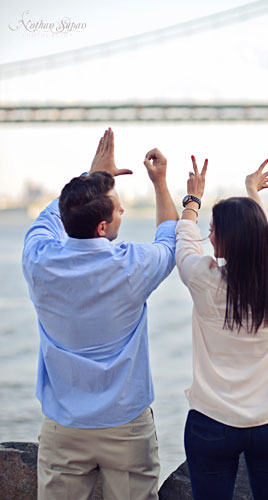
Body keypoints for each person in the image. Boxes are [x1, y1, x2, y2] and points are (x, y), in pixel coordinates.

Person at [22, 127, 178, 500]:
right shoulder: (132, 266)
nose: (123, 210)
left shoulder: (37, 259)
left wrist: (91, 178)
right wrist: (160, 183)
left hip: (64, 425)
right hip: (126, 425)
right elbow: (171, 236)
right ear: (103, 226)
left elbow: (54, 215)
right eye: (117, 207)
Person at [175, 157, 268, 500]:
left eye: (214, 230)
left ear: (223, 240)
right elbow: (266, 239)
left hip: (212, 423)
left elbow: (186, 239)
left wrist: (193, 199)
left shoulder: (203, 280)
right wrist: (252, 191)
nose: (209, 235)